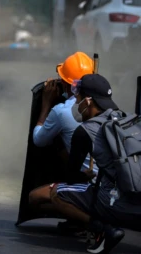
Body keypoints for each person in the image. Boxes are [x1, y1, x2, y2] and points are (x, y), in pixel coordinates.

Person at [47, 74, 137, 254]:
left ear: (88, 101)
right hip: (138, 203)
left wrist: (86, 175)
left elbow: (72, 177)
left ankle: (104, 230)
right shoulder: (130, 119)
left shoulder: (85, 131)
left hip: (116, 205)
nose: (76, 102)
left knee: (56, 193)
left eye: (78, 98)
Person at [28, 52, 97, 221]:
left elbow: (39, 139)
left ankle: (89, 222)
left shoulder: (62, 111)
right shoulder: (102, 102)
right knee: (61, 146)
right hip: (111, 179)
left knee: (34, 199)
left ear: (67, 85)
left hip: (93, 182)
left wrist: (46, 104)